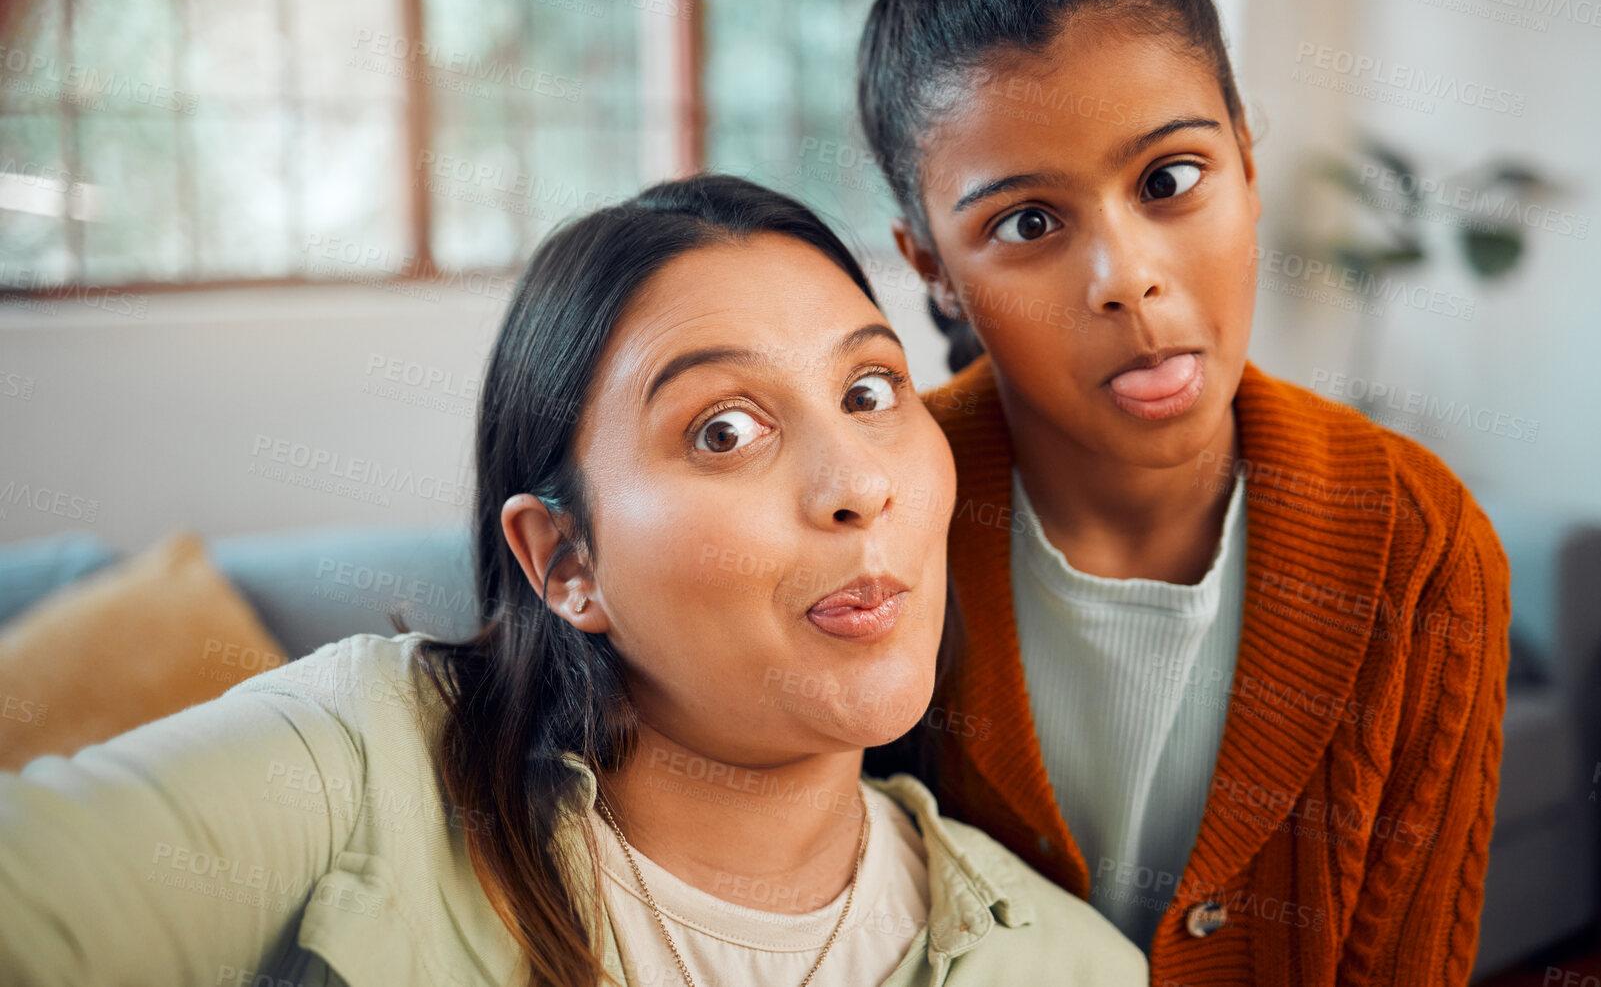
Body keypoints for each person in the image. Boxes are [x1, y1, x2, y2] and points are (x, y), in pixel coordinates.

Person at [0, 175, 1148, 986]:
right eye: (725, 430)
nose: (857, 485)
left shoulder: (1069, 966)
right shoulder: (364, 767)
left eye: (869, 392)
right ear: (565, 562)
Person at [857, 0, 1510, 987]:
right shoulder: (868, 519)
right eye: (1026, 222)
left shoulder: (1422, 548)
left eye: (1170, 179)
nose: (1129, 279)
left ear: (1249, 167)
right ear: (933, 269)